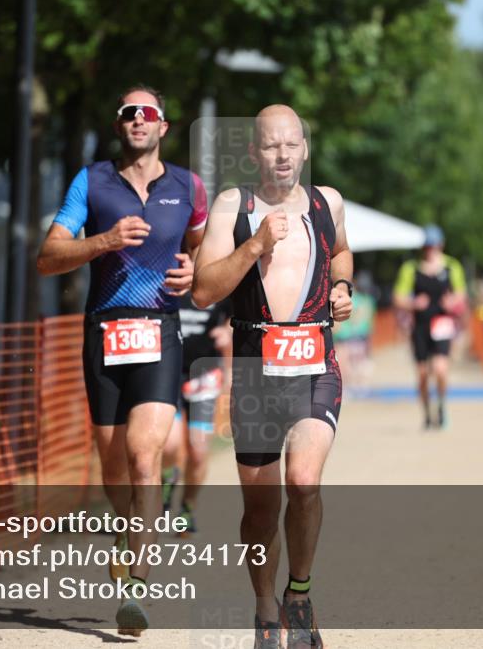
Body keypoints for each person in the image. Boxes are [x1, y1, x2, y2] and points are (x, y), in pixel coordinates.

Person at [36, 85, 208, 637]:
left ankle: (138, 585)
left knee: (142, 456)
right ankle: (123, 527)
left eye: (149, 112)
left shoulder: (188, 185)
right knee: (113, 468)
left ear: (164, 125)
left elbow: (202, 248)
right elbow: (47, 257)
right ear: (120, 126)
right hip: (104, 333)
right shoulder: (92, 181)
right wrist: (103, 240)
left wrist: (193, 274)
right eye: (128, 112)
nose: (138, 119)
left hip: (160, 328)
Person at [193, 105, 353, 649]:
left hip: (315, 364)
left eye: (291, 145)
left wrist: (343, 285)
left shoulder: (328, 203)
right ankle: (265, 607)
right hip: (255, 371)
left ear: (305, 148)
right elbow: (203, 290)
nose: (282, 156)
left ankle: (300, 595)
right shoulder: (232, 206)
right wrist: (255, 245)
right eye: (270, 146)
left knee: (304, 481)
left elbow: (344, 251)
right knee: (259, 510)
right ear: (254, 153)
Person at [160, 294, 231, 533]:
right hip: (168, 374)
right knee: (169, 445)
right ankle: (168, 477)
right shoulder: (168, 287)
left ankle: (187, 508)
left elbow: (236, 321)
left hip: (204, 376)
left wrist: (228, 335)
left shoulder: (219, 285)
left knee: (198, 451)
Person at [392, 226, 466, 429]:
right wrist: (413, 304)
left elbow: (461, 295)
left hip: (442, 324)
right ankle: (427, 413)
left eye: (433, 245)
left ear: (440, 245)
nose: (430, 249)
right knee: (423, 374)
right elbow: (398, 297)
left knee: (441, 369)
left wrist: (453, 302)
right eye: (427, 246)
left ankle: (442, 404)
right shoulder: (411, 268)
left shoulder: (452, 267)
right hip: (420, 327)